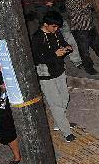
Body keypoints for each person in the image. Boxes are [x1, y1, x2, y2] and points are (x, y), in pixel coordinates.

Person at [31, 12, 76, 142]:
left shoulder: (56, 32)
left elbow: (61, 42)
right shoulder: (38, 37)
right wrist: (54, 54)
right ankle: (66, 132)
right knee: (55, 103)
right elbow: (36, 58)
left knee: (65, 97)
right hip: (46, 74)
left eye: (57, 27)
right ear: (46, 24)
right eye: (54, 27)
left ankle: (59, 121)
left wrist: (66, 47)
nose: (56, 29)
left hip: (59, 70)